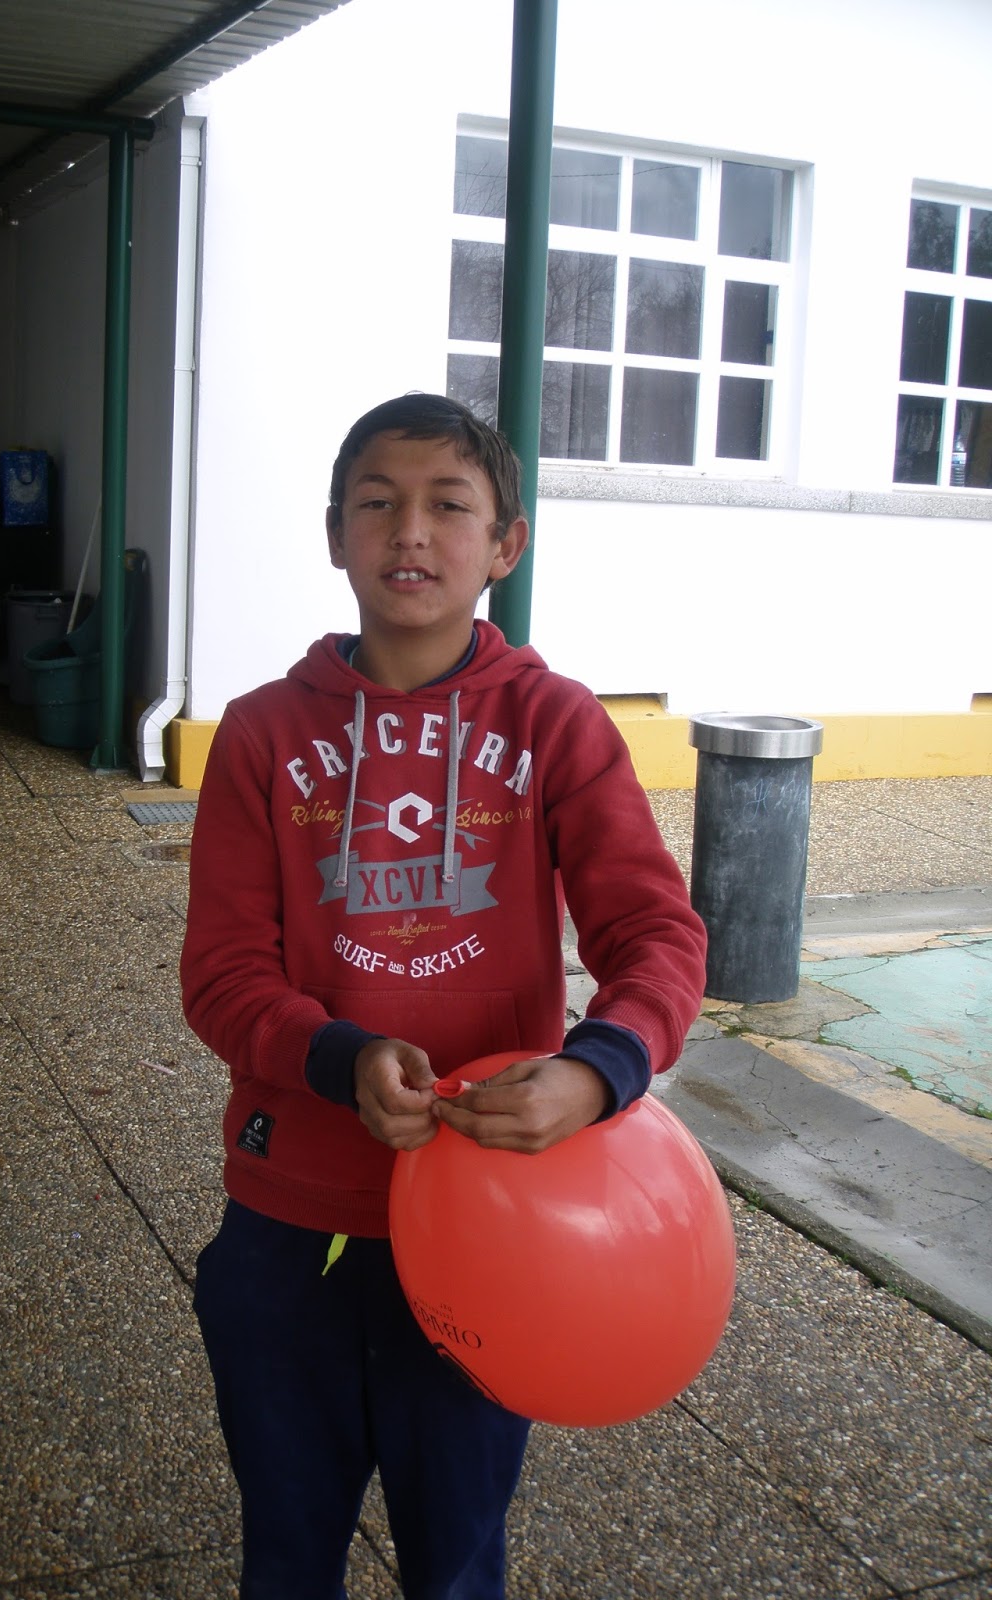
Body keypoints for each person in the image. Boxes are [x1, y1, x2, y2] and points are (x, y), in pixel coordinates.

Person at [180, 393, 707, 1599]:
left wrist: (596, 1071)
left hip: (496, 1230)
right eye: (377, 502)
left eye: (448, 505)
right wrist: (338, 1057)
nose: (410, 530)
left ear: (504, 543)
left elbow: (657, 935)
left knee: (458, 1562)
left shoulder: (558, 723)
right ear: (335, 536)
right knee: (286, 1554)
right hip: (292, 1217)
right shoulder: (260, 736)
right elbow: (221, 974)